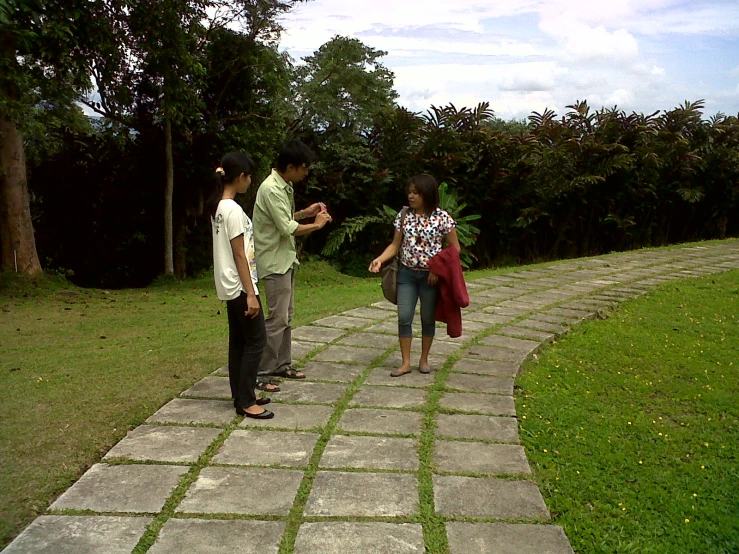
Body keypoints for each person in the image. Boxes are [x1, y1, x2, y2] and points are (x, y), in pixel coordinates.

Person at [253, 140, 332, 386]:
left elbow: (286, 218)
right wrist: (317, 224)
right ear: (290, 166)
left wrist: (305, 213)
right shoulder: (271, 189)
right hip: (274, 261)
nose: (305, 173)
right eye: (303, 168)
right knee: (277, 319)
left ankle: (281, 364)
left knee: (286, 316)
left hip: (285, 260)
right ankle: (261, 373)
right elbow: (288, 228)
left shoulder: (283, 185)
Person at [369, 174, 461, 377]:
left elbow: (455, 249)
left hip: (430, 277)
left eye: (415, 193)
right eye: (409, 192)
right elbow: (395, 245)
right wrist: (380, 259)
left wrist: (438, 268)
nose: (411, 196)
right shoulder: (404, 216)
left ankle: (424, 359)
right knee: (404, 317)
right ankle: (405, 362)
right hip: (406, 274)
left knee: (428, 318)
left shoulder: (442, 218)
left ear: (426, 194)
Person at [208, 152, 273, 419]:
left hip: (228, 284)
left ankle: (241, 394)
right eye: (249, 177)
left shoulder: (218, 207)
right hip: (239, 285)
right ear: (240, 177)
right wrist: (251, 294)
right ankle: (246, 400)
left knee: (239, 342)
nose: (251, 182)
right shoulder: (232, 210)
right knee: (257, 340)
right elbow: (239, 254)